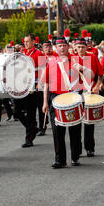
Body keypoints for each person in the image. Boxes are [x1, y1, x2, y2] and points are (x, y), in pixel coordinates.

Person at [42, 35, 85, 168]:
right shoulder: (51, 61)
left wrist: (83, 70)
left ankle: (75, 156)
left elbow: (88, 79)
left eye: (64, 45)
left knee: (75, 129)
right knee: (57, 130)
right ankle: (60, 159)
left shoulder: (77, 60)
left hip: (73, 98)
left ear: (68, 46)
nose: (61, 48)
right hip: (56, 98)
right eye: (59, 46)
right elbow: (46, 84)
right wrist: (45, 102)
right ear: (56, 47)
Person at [73, 37, 103, 157]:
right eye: (78, 47)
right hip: (75, 93)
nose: (80, 49)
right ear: (75, 47)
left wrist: (97, 86)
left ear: (86, 47)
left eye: (83, 47)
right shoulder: (71, 59)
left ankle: (90, 147)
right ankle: (77, 149)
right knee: (75, 122)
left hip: (89, 91)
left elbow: (100, 74)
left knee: (89, 121)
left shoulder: (93, 57)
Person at [17, 34, 43, 147]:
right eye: (25, 42)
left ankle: (29, 139)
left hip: (34, 85)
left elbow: (44, 69)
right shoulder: (23, 54)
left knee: (31, 112)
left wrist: (40, 84)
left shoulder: (39, 53)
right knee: (17, 111)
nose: (26, 43)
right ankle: (33, 128)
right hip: (23, 85)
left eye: (28, 41)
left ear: (33, 41)